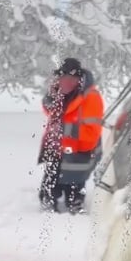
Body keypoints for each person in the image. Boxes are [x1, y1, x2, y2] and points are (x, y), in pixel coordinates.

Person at [37, 57, 104, 214]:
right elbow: (53, 115)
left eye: (71, 78)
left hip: (80, 153)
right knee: (47, 195)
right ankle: (49, 208)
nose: (66, 82)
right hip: (59, 149)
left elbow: (91, 134)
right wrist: (50, 100)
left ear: (79, 79)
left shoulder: (91, 97)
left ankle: (75, 218)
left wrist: (63, 131)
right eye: (63, 78)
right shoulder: (60, 93)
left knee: (74, 196)